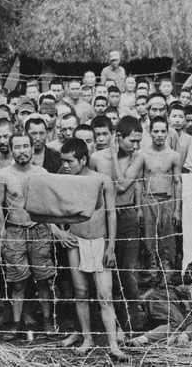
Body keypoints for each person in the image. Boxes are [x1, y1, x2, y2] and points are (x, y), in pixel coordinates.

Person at [54, 139, 127, 359]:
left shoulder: (102, 180)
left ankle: (113, 344)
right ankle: (87, 338)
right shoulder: (63, 181)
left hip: (99, 241)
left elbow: (111, 213)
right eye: (63, 161)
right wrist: (58, 232)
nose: (66, 165)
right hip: (75, 242)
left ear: (83, 159)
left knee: (105, 295)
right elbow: (45, 207)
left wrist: (111, 246)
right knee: (81, 293)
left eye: (70, 161)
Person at [0, 132, 55, 338]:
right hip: (14, 230)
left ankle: (47, 321)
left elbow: (48, 206)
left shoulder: (42, 172)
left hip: (39, 230)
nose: (22, 151)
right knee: (18, 281)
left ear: (32, 148)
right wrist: (2, 233)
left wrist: (53, 230)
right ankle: (16, 324)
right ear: (11, 150)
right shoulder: (4, 174)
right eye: (17, 147)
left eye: (26, 146)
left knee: (44, 279)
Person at [89, 116, 145, 332]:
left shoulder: (138, 157)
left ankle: (131, 323)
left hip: (127, 215)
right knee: (104, 270)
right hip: (103, 217)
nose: (136, 145)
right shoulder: (95, 158)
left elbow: (122, 186)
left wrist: (114, 156)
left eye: (139, 140)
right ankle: (107, 324)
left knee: (128, 272)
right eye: (132, 140)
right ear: (118, 137)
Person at [124, 117, 182, 285]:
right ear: (150, 133)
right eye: (156, 131)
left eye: (163, 131)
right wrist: (139, 208)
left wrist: (177, 209)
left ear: (168, 132)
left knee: (168, 240)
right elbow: (139, 182)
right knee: (149, 240)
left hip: (167, 200)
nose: (159, 135)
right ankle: (151, 276)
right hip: (148, 200)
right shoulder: (142, 154)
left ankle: (167, 277)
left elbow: (178, 183)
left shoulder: (174, 156)